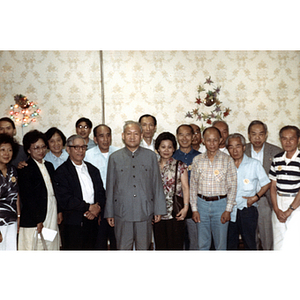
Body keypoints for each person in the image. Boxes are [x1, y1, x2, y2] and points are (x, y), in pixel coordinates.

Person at [104, 121, 166, 250]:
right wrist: (109, 212)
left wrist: (159, 209)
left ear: (141, 136)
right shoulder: (114, 158)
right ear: (123, 136)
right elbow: (110, 187)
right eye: (129, 134)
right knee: (123, 248)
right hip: (122, 212)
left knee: (143, 248)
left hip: (145, 211)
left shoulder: (151, 156)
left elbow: (157, 184)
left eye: (136, 134)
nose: (132, 137)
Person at [54, 135, 105, 250]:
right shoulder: (61, 172)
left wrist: (97, 208)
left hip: (94, 222)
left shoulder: (93, 170)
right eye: (76, 147)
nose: (80, 150)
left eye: (83, 147)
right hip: (74, 224)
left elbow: (101, 192)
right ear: (68, 149)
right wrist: (88, 207)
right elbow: (65, 199)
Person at [190, 126, 237, 250]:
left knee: (221, 244)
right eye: (208, 140)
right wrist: (194, 209)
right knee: (202, 244)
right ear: (203, 141)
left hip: (220, 205)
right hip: (201, 205)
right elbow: (193, 186)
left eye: (215, 140)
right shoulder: (197, 160)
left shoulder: (227, 160)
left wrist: (228, 210)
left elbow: (232, 186)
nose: (212, 143)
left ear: (220, 140)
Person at [18, 130, 61, 250]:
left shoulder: (49, 166)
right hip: (35, 215)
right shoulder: (25, 168)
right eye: (36, 148)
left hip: (51, 210)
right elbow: (27, 197)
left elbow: (55, 191)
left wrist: (59, 211)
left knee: (50, 244)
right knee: (35, 247)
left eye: (43, 147)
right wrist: (37, 219)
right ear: (28, 150)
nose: (40, 151)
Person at [226, 133, 271, 250]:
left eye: (238, 146)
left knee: (250, 242)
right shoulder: (226, 165)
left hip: (248, 209)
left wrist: (256, 197)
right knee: (231, 243)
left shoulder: (254, 164)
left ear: (244, 147)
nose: (235, 150)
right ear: (228, 149)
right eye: (231, 147)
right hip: (229, 210)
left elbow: (266, 183)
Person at [245, 120, 281, 250]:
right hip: (246, 199)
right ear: (249, 135)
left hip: (265, 199)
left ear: (266, 135)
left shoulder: (276, 152)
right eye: (254, 134)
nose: (257, 137)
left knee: (267, 236)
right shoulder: (242, 150)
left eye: (261, 134)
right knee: (249, 236)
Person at [153, 132, 189, 250]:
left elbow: (185, 187)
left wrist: (186, 208)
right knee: (160, 246)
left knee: (176, 247)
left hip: (175, 212)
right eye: (163, 147)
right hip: (157, 213)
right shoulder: (152, 165)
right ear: (158, 148)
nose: (166, 150)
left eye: (170, 147)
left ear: (174, 148)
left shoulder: (180, 165)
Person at [85, 124, 118, 250]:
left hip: (116, 203)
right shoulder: (88, 155)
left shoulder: (119, 152)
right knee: (99, 241)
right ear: (95, 139)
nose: (105, 139)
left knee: (117, 241)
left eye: (108, 135)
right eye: (101, 136)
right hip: (97, 204)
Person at [269, 125, 300, 250]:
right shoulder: (277, 159)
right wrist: (276, 209)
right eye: (284, 138)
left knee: (294, 241)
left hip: (296, 204)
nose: (287, 142)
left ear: (298, 140)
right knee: (278, 241)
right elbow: (273, 186)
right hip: (279, 202)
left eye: (291, 138)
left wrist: (290, 210)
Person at [173, 124, 200, 250]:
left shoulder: (200, 157)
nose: (184, 138)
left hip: (196, 204)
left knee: (195, 239)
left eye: (188, 134)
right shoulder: (171, 157)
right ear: (177, 136)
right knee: (178, 240)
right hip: (176, 204)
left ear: (193, 136)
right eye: (181, 134)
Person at [0, 134, 20, 250]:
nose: (6, 153)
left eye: (10, 150)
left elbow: (16, 195)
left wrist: (18, 216)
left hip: (11, 221)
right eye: (2, 150)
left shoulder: (13, 170)